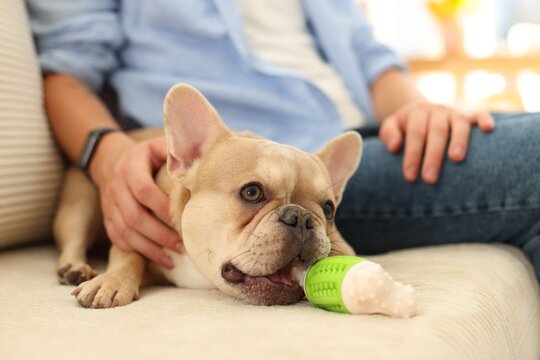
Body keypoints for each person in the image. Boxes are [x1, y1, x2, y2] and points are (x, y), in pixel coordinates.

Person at [28, 1, 539, 281]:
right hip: (235, 159)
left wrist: (415, 109)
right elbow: (68, 70)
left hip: (342, 156)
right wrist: (106, 152)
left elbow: (370, 56)